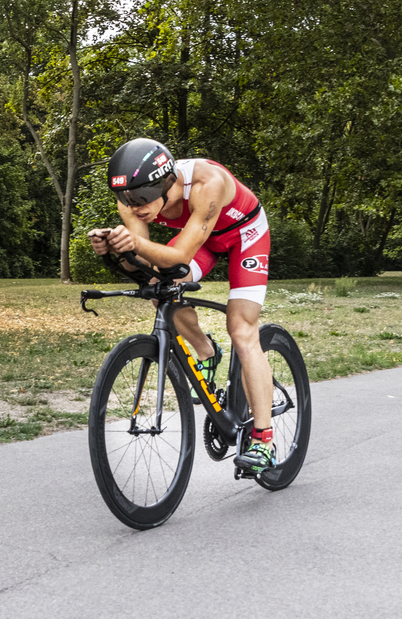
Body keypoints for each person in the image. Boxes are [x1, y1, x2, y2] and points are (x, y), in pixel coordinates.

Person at [87, 138, 276, 472]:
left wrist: (135, 245)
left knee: (241, 329)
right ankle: (206, 351)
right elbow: (144, 266)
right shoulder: (132, 199)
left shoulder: (207, 184)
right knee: (160, 286)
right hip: (204, 237)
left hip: (244, 235)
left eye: (142, 197)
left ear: (166, 183)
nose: (134, 206)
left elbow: (178, 256)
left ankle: (263, 441)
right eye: (125, 198)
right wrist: (116, 251)